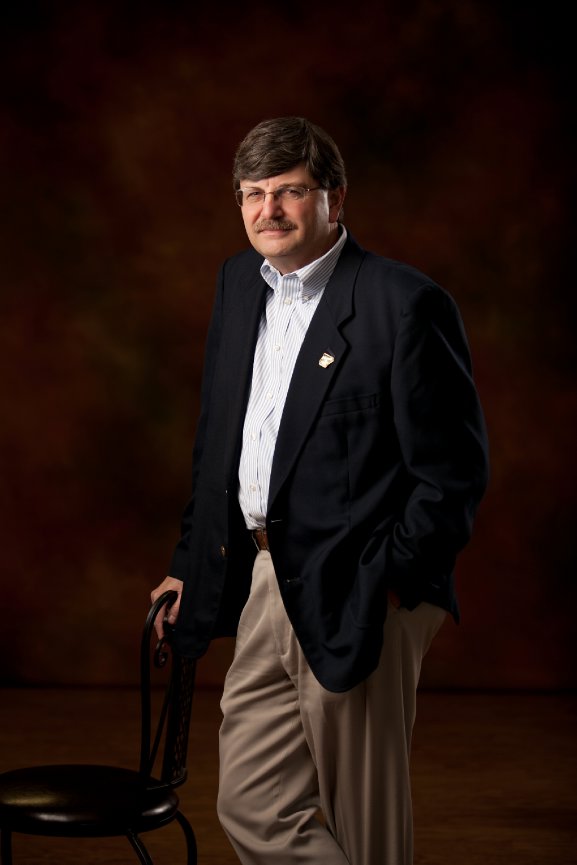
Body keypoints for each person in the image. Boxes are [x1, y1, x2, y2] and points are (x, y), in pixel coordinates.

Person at [151, 116, 489, 865]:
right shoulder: (238, 284)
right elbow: (221, 441)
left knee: (364, 822)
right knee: (252, 801)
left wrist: (392, 578)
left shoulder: (403, 302)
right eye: (252, 193)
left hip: (360, 581)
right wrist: (188, 560)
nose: (268, 210)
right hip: (266, 576)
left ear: (335, 198)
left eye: (290, 191)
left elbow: (453, 472)